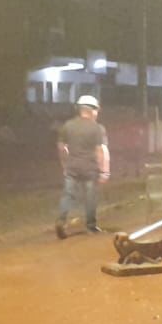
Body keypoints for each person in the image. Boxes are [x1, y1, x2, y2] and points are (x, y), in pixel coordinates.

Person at [55, 95, 109, 238]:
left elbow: (61, 147)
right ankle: (91, 226)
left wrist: (64, 164)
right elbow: (99, 150)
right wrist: (103, 171)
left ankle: (61, 220)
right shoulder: (96, 128)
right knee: (90, 197)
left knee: (68, 195)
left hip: (72, 167)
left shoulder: (67, 125)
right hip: (90, 168)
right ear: (91, 110)